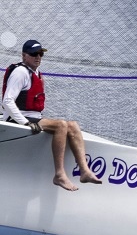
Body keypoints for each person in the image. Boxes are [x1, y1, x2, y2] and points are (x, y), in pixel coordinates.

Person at [2, 39, 101, 191]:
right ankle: (60, 175)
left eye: (40, 54)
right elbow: (7, 101)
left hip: (34, 117)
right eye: (34, 54)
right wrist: (24, 123)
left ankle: (85, 171)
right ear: (24, 56)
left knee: (73, 125)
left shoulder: (38, 74)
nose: (38, 57)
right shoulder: (20, 72)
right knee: (61, 125)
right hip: (17, 119)